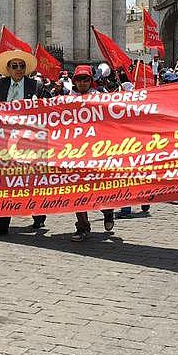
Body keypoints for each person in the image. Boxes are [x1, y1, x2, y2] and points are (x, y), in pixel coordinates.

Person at [0, 49, 51, 237]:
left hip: (30, 140)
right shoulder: (0, 84)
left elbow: (50, 106)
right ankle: (0, 226)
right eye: (15, 66)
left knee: (32, 180)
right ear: (8, 69)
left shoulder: (35, 86)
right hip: (5, 139)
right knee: (4, 182)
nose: (19, 69)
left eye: (22, 66)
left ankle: (39, 214)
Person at [69, 65, 115, 241]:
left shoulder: (100, 98)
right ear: (74, 81)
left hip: (97, 152)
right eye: (79, 79)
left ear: (91, 81)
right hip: (74, 152)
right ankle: (82, 227)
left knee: (98, 188)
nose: (82, 82)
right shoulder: (66, 99)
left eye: (85, 79)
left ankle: (107, 210)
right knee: (76, 190)